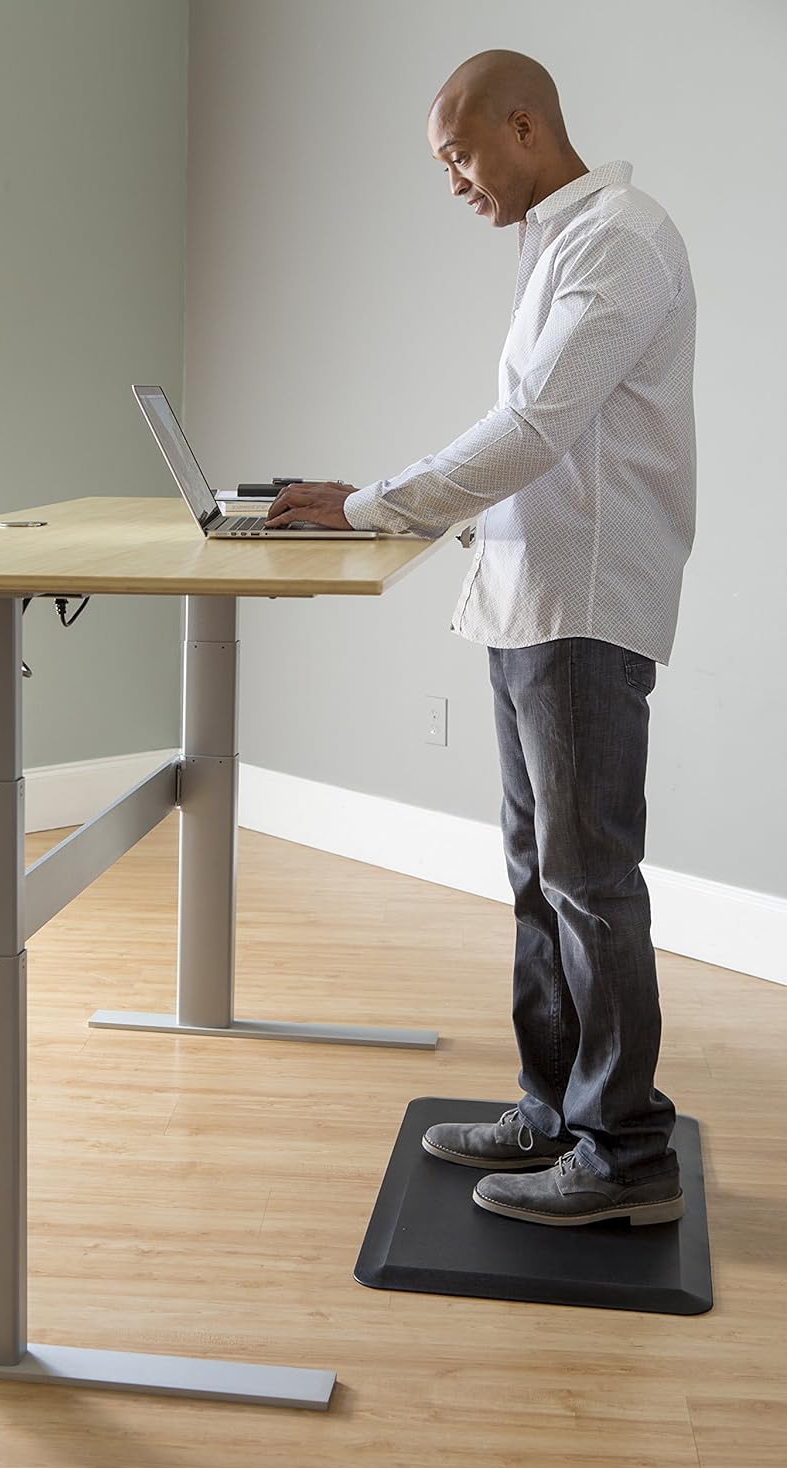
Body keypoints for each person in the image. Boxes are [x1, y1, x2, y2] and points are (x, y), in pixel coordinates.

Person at [265, 49, 695, 1228]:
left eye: (456, 154)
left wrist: (374, 505)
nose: (451, 178)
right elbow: (532, 440)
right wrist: (379, 497)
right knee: (537, 878)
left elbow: (535, 427)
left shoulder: (617, 236)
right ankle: (553, 1110)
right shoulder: (555, 243)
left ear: (522, 125)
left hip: (585, 609)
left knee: (589, 880)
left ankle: (622, 1157)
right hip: (528, 603)